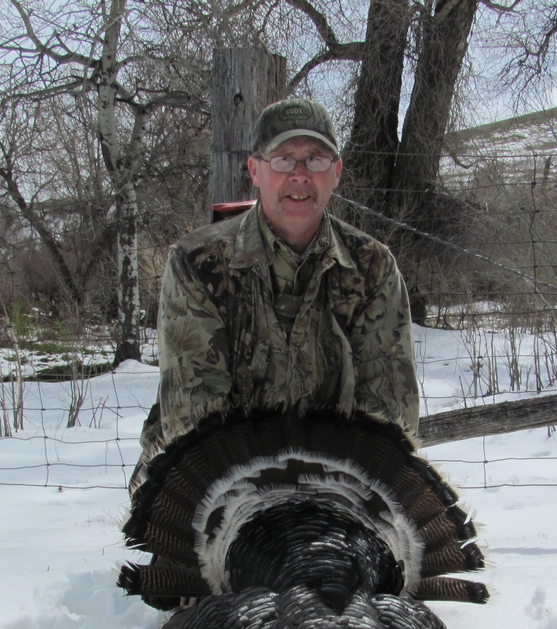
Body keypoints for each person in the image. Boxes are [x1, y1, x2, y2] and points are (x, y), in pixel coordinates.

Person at [131, 98, 419, 494]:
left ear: (336, 173)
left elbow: (388, 418)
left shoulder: (372, 268)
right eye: (283, 160)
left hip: (337, 490)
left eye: (316, 160)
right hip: (219, 492)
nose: (300, 175)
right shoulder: (198, 263)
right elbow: (196, 420)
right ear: (255, 170)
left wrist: (329, 509)